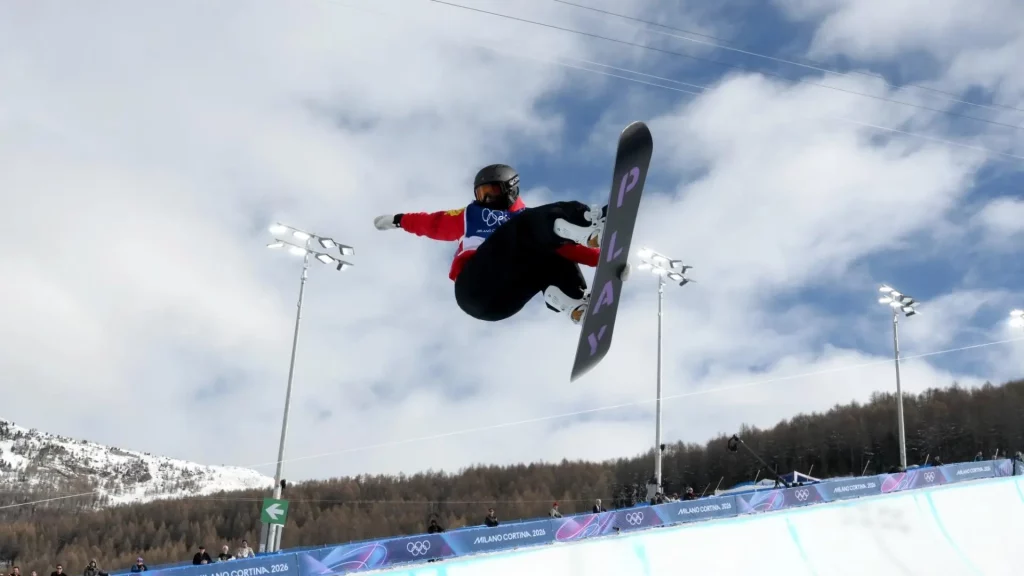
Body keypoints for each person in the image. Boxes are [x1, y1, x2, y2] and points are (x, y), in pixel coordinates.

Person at [374, 164, 607, 324]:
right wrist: (399, 220)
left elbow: (570, 251)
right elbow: (431, 223)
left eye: (492, 191)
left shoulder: (533, 226)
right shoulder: (470, 215)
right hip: (475, 287)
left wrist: (608, 258)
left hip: (502, 304)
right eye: (481, 193)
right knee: (532, 222)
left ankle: (574, 306)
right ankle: (586, 224)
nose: (486, 199)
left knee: (551, 253)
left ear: (510, 189)